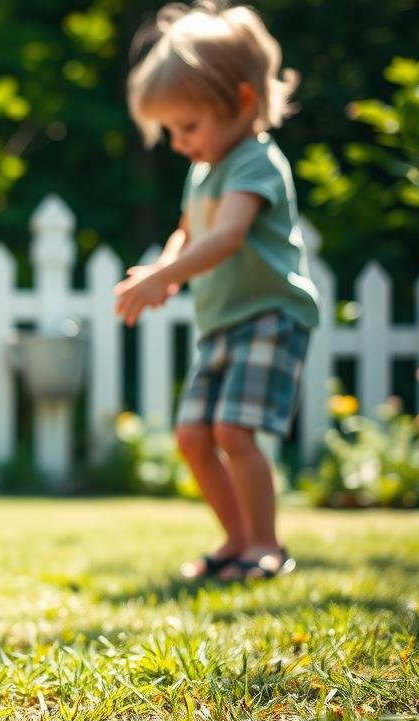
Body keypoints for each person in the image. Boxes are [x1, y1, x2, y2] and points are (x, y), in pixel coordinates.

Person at [114, 1, 319, 581]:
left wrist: (165, 276)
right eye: (172, 130)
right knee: (192, 435)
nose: (179, 142)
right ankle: (235, 541)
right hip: (224, 320)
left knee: (233, 431)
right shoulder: (203, 168)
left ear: (244, 103)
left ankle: (266, 545)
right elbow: (188, 231)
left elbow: (228, 237)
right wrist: (161, 269)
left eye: (188, 126)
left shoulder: (256, 163)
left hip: (271, 314)